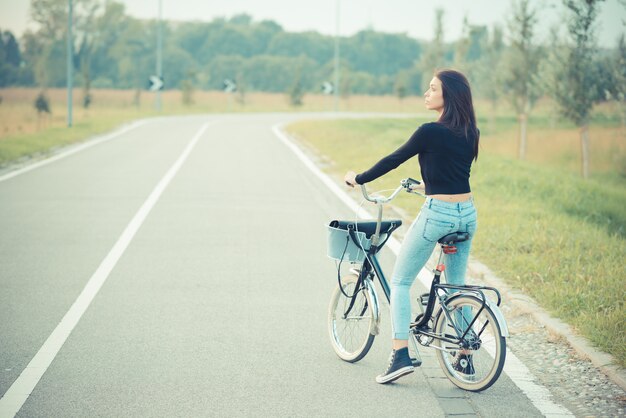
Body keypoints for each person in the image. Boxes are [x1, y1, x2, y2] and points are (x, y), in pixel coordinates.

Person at [344, 69, 480, 384]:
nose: (426, 93)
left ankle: (400, 354)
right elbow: (455, 172)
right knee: (456, 286)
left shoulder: (429, 131)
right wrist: (424, 185)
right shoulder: (470, 131)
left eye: (432, 89)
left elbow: (394, 159)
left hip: (439, 214)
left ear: (448, 96)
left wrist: (358, 178)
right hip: (467, 213)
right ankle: (466, 355)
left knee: (402, 281)